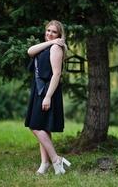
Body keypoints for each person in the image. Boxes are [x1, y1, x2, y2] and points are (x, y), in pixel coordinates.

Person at [25, 20, 71, 175]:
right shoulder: (48, 46)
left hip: (47, 90)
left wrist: (48, 97)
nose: (50, 34)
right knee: (42, 126)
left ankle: (56, 159)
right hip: (39, 89)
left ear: (59, 35)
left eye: (54, 32)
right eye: (48, 31)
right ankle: (45, 164)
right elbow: (30, 51)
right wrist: (49, 42)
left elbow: (57, 74)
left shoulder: (56, 48)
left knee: (35, 126)